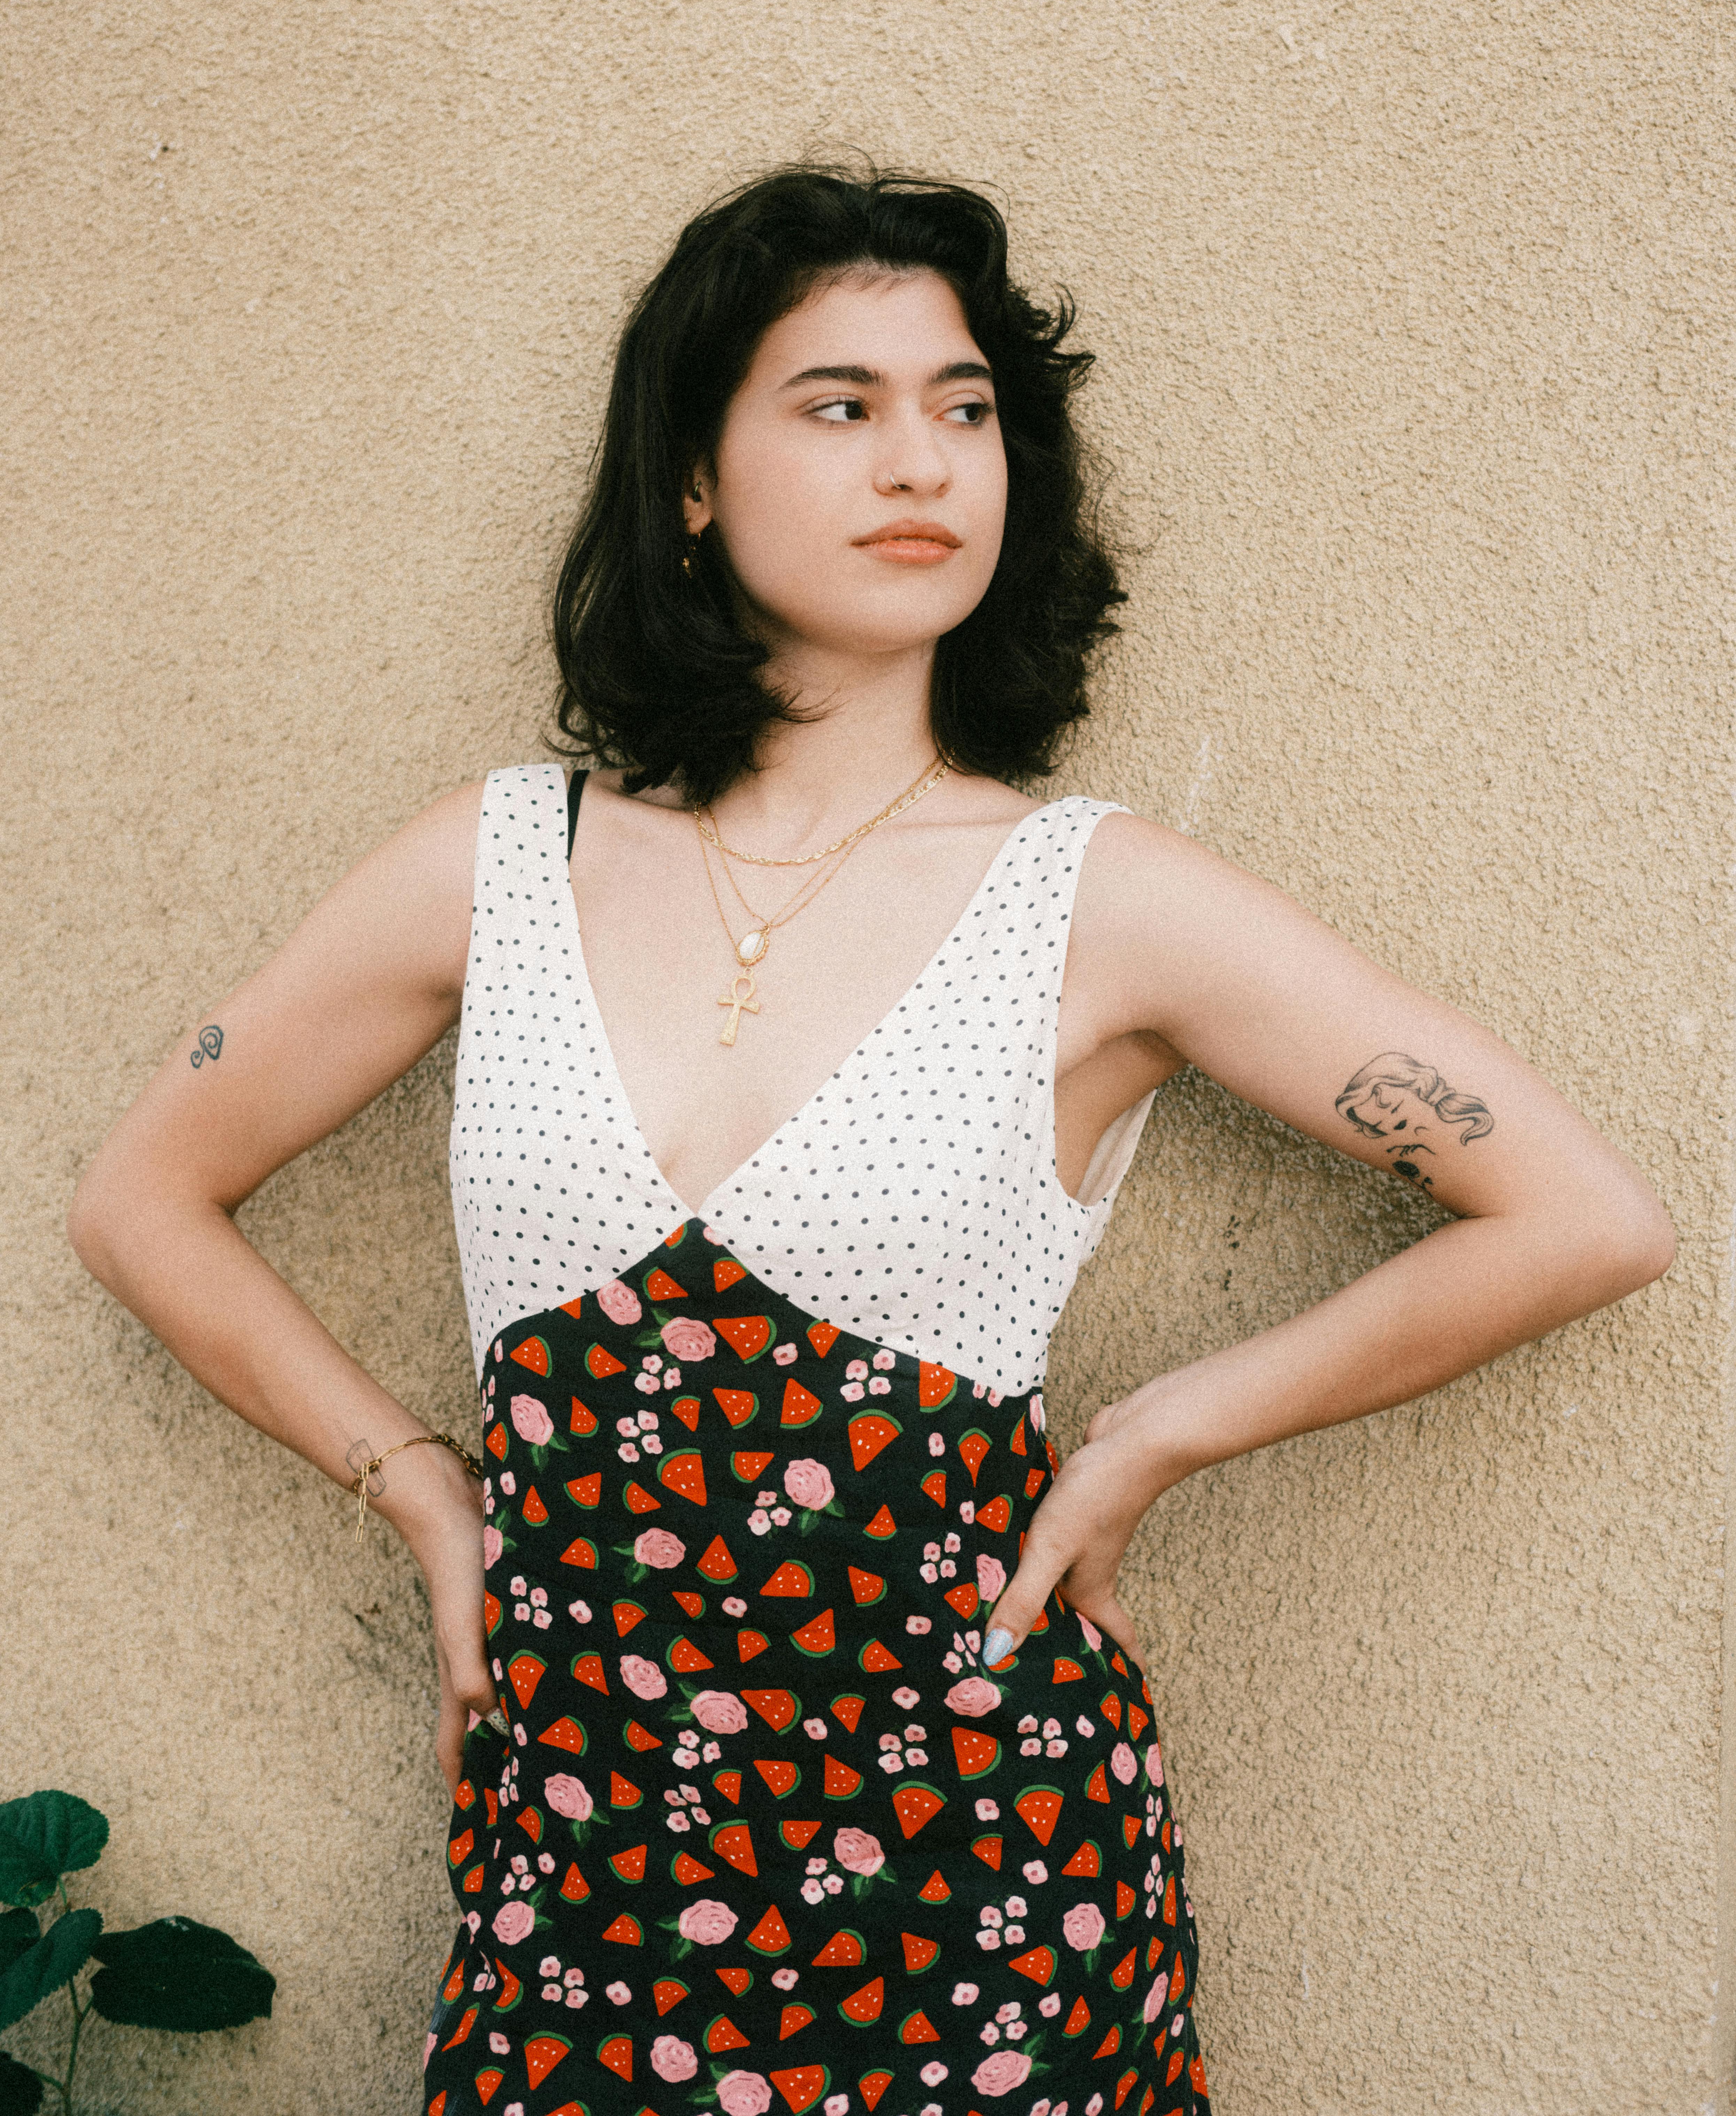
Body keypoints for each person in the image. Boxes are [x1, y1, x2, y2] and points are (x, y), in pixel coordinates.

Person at [68, 168, 1674, 2116]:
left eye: (964, 405)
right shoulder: (494, 867)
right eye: (838, 404)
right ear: (687, 478)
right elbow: (145, 1194)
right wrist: (418, 1486)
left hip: (985, 1876)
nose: (921, 458)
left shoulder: (1099, 903)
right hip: (584, 1864)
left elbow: (1576, 1214)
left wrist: (1164, 1428)